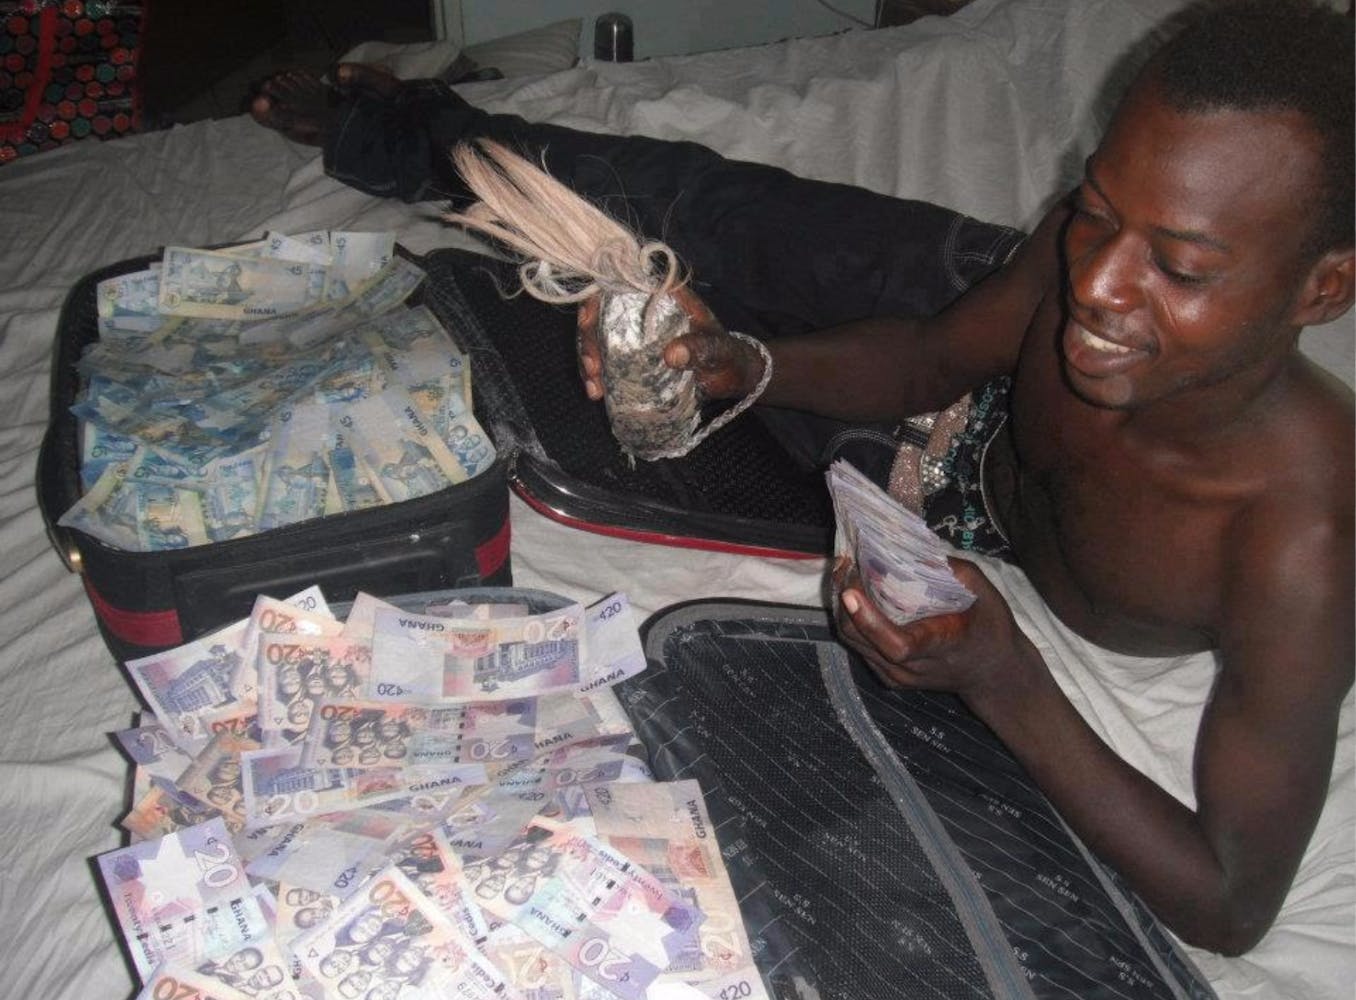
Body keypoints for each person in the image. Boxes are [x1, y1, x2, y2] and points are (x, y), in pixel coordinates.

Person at [249, 0, 1353, 954]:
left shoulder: (1302, 544)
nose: (1104, 283)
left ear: (1325, 289)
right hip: (953, 307)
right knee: (670, 204)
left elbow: (1228, 901)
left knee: (623, 331)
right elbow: (929, 357)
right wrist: (745, 365)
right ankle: (414, 128)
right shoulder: (1073, 266)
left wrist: (1003, 675)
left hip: (909, 482)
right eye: (1100, 210)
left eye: (1183, 265)